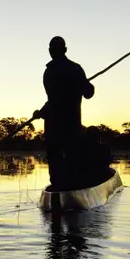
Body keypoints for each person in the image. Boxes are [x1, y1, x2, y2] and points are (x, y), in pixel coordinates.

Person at [31, 36, 94, 190]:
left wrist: (42, 112)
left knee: (57, 159)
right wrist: (87, 85)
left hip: (55, 126)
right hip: (71, 125)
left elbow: (54, 100)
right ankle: (70, 189)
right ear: (64, 50)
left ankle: (60, 189)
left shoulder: (49, 72)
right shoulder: (76, 69)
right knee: (71, 157)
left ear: (51, 51)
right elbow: (88, 93)